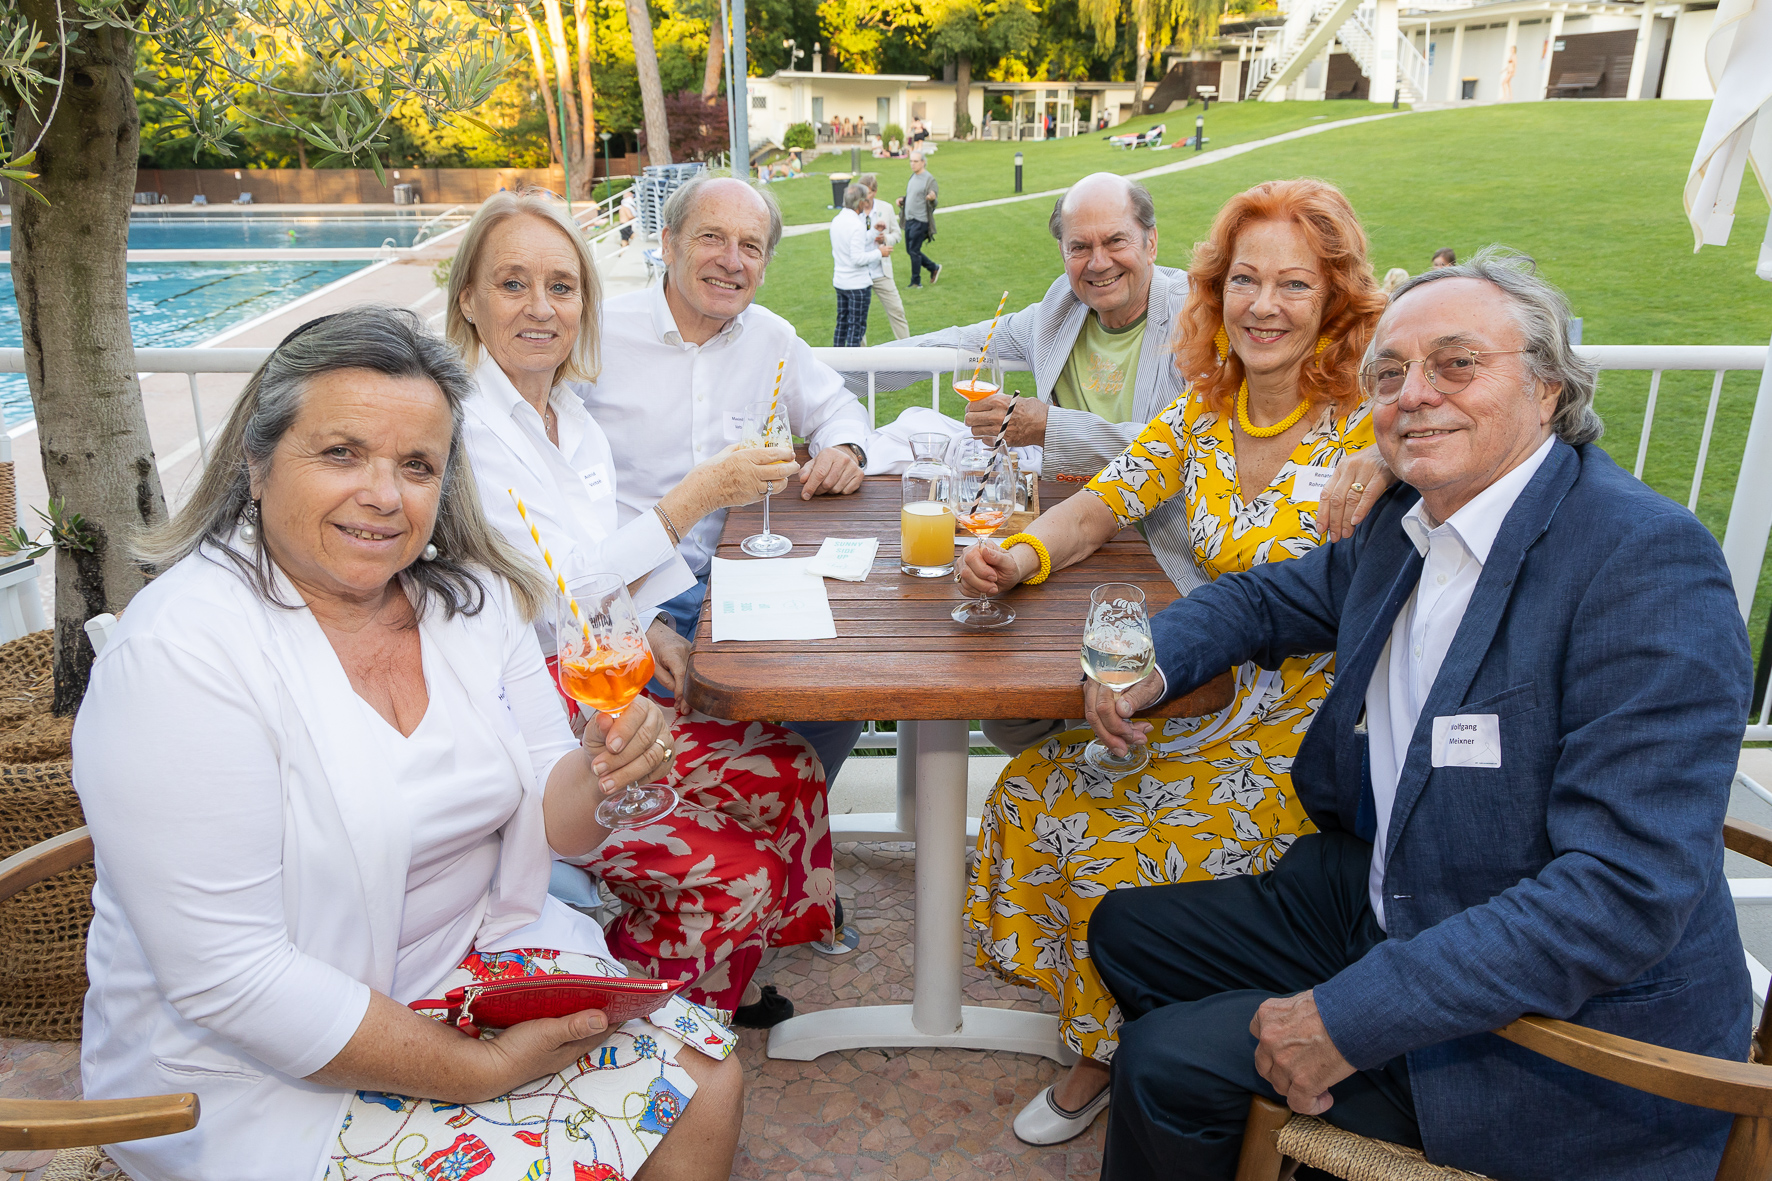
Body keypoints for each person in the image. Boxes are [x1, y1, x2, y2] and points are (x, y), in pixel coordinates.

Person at [1087, 248, 1752, 1181]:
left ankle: (1248, 1100)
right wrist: (1147, 661)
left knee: (1166, 1064)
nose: (1415, 394)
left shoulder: (1644, 565)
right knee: (1126, 932)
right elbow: (1266, 599)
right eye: (1390, 373)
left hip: (1552, 1026)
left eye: (1457, 364)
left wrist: (1351, 1018)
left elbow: (1620, 893)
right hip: (1398, 890)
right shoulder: (1415, 519)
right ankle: (1258, 1131)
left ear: (1549, 387)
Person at [74, 309, 744, 1181]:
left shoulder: (470, 600)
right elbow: (231, 979)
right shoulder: (180, 657)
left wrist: (600, 768)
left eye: (417, 464)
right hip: (266, 1067)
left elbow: (563, 823)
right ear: (256, 461)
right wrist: (476, 1071)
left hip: (472, 971)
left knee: (707, 1084)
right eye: (342, 452)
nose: (385, 495)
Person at [957, 178, 1391, 1146]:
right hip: (1210, 693)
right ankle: (1121, 1019)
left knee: (1103, 838)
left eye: (1293, 283)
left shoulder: (1374, 426)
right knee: (1032, 787)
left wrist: (1390, 457)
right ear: (1214, 291)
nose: (1263, 306)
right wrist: (1017, 555)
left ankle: (1111, 1052)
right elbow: (1099, 504)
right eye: (1244, 280)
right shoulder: (1205, 409)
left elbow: (1482, 450)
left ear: (1334, 298)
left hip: (1318, 737)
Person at [447, 189, 837, 1027]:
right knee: (742, 870)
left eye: (561, 287)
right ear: (469, 299)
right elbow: (557, 588)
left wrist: (655, 621)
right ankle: (642, 1021)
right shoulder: (461, 431)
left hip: (597, 686)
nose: (541, 307)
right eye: (513, 284)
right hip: (526, 722)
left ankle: (726, 984)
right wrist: (699, 494)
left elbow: (599, 561)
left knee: (792, 768)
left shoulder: (569, 416)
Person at [583, 174, 870, 785]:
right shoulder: (596, 337)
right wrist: (640, 619)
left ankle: (781, 816)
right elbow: (560, 498)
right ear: (668, 243)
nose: (732, 261)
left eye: (751, 246)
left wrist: (845, 448)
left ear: (764, 264)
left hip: (740, 580)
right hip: (629, 593)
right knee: (659, 749)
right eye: (711, 237)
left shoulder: (772, 338)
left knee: (838, 696)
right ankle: (722, 820)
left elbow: (838, 408)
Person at [860, 172, 909, 339]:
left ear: (874, 192)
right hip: (860, 272)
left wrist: (885, 238)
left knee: (897, 310)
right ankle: (859, 354)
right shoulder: (853, 211)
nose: (864, 197)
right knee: (858, 318)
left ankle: (908, 349)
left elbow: (897, 234)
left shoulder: (886, 209)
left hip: (881, 271)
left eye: (867, 193)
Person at [831, 182, 878, 347]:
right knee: (856, 329)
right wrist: (880, 253)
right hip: (857, 285)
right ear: (860, 202)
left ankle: (835, 360)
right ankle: (853, 363)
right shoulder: (857, 225)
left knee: (842, 325)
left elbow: (853, 242)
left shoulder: (837, 220)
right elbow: (858, 258)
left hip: (840, 282)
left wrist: (874, 232)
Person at [901, 150, 942, 288]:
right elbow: (913, 196)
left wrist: (932, 198)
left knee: (914, 250)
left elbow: (934, 201)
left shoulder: (929, 179)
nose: (912, 164)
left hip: (921, 220)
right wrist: (902, 200)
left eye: (915, 161)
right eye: (911, 161)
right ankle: (933, 267)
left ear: (923, 162)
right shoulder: (913, 177)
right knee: (911, 250)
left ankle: (915, 282)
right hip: (909, 219)